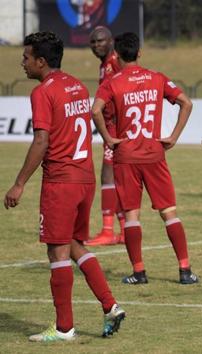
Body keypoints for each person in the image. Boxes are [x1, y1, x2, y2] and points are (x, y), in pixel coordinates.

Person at [3, 31, 125, 342]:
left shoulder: (42, 92)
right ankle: (110, 306)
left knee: (57, 252)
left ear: (41, 61)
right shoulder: (76, 85)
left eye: (27, 57)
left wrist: (18, 184)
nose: (23, 62)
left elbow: (41, 140)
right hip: (85, 177)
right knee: (74, 245)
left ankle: (63, 328)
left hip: (61, 180)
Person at [91, 32, 198, 285]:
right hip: (154, 154)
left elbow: (95, 110)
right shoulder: (157, 78)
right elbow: (187, 103)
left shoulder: (112, 82)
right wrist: (173, 136)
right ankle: (185, 271)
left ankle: (139, 272)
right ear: (139, 53)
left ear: (116, 55)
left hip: (126, 155)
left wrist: (108, 138)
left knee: (131, 216)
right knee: (169, 213)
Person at [85, 26, 125, 246]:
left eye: (99, 41)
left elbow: (127, 87)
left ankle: (108, 231)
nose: (96, 45)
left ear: (111, 40)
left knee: (108, 175)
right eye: (92, 43)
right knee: (115, 177)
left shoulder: (115, 61)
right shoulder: (105, 64)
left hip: (117, 126)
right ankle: (124, 229)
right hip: (111, 125)